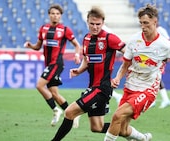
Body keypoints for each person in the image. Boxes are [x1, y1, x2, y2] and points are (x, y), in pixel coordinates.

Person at [104, 4, 170, 141]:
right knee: (123, 130)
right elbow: (126, 63)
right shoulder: (134, 40)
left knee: (116, 116)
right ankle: (144, 138)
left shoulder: (165, 45)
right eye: (141, 23)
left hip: (148, 90)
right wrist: (118, 77)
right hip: (130, 86)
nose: (143, 27)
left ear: (154, 22)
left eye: (146, 23)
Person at [51, 6, 125, 141]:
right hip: (93, 87)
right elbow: (86, 59)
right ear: (87, 22)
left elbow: (129, 54)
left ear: (103, 23)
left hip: (102, 88)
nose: (95, 27)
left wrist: (119, 76)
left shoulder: (110, 38)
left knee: (69, 112)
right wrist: (79, 70)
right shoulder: (86, 39)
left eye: (98, 24)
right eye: (92, 23)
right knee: (97, 127)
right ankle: (135, 135)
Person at [24, 4, 81, 126]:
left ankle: (56, 110)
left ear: (60, 16)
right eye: (53, 13)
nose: (55, 16)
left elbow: (77, 45)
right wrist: (30, 46)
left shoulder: (65, 30)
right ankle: (73, 114)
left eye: (58, 14)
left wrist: (77, 55)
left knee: (39, 85)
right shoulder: (43, 28)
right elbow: (38, 46)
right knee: (54, 93)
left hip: (56, 63)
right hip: (49, 63)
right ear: (49, 15)